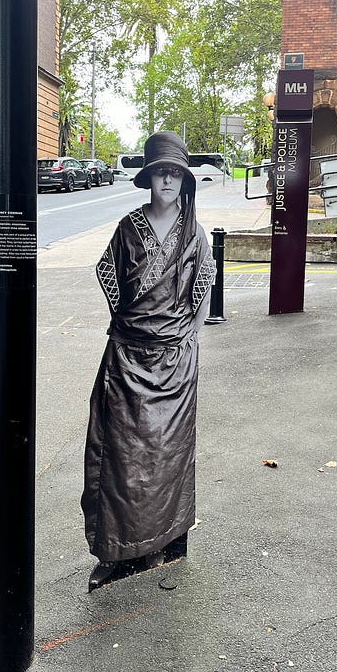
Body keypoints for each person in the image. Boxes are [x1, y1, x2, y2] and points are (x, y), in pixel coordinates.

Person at [82, 131, 216, 590]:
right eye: (161, 172)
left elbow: (203, 289)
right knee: (119, 456)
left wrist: (188, 339)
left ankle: (168, 537)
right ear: (149, 178)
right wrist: (128, 325)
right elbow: (108, 274)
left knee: (167, 456)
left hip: (175, 362)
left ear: (185, 181)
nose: (168, 181)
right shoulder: (127, 228)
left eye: (176, 174)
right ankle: (118, 552)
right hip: (126, 357)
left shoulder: (194, 235)